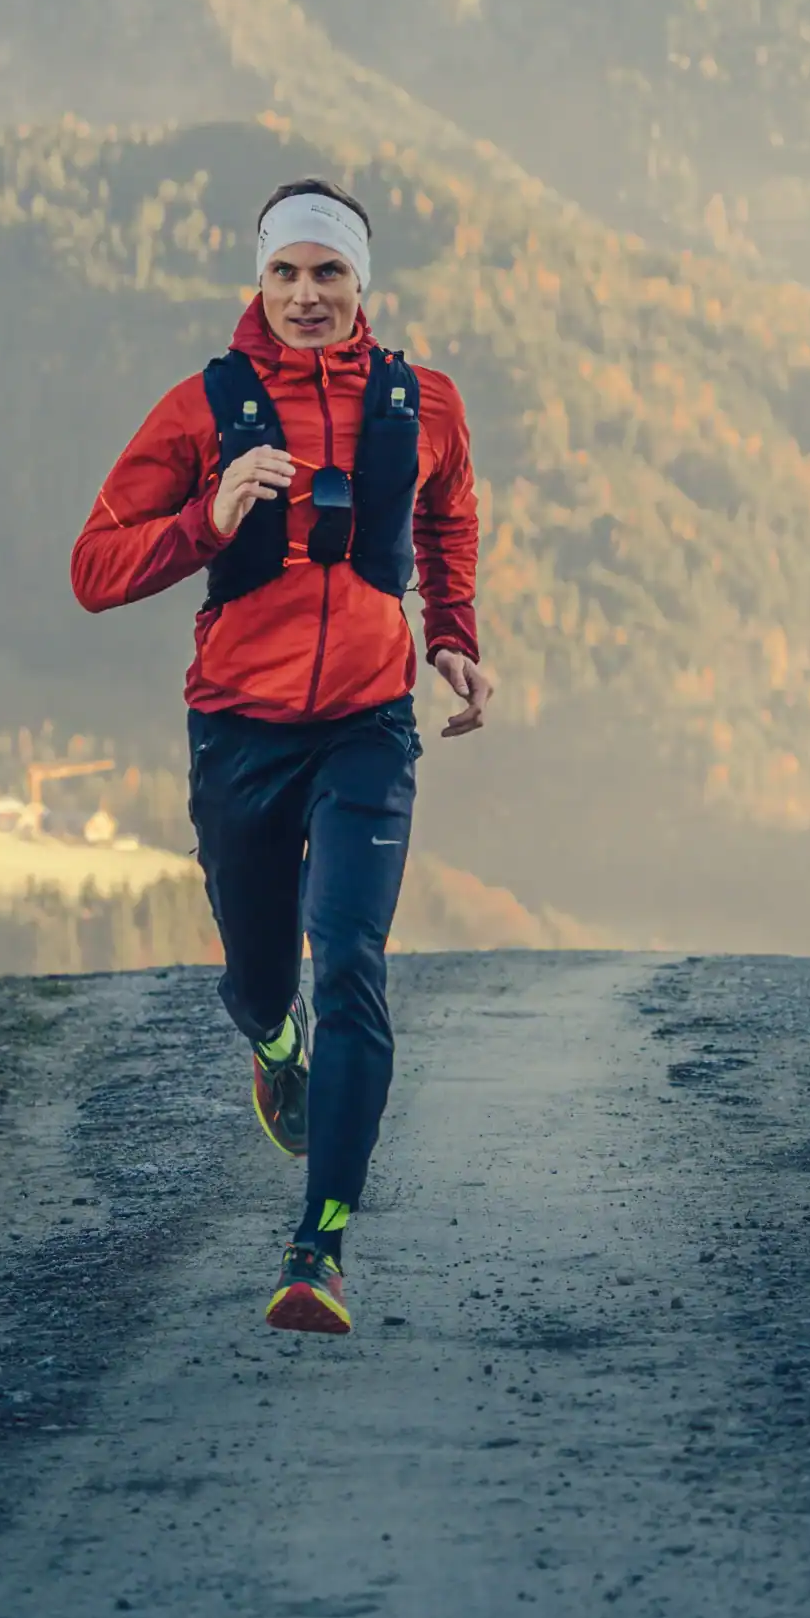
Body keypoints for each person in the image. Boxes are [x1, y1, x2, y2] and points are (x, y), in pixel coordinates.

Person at [70, 177, 493, 1335]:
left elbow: (448, 512)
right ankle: (272, 1037)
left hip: (367, 722)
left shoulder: (422, 400)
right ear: (258, 283)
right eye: (287, 274)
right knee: (262, 971)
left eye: (331, 274)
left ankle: (322, 1249)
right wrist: (205, 520)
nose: (308, 296)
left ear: (364, 285)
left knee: (350, 956)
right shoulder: (205, 407)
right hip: (241, 729)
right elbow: (93, 567)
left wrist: (451, 634)